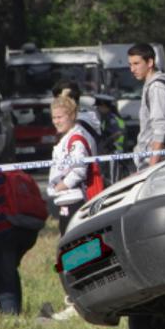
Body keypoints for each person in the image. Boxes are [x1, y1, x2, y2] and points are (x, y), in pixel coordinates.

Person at [0, 167, 48, 315]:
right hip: (29, 228)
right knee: (9, 271)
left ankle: (11, 317)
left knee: (4, 277)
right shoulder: (2, 171)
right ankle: (16, 311)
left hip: (5, 228)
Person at [48, 93, 98, 235]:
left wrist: (60, 187)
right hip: (66, 199)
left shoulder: (76, 139)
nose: (56, 121)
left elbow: (79, 171)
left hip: (75, 199)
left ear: (72, 116)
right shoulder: (66, 137)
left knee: (74, 241)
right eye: (54, 117)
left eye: (60, 117)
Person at [128, 42, 165, 169]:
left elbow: (160, 129)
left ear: (150, 62)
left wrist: (152, 166)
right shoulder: (150, 85)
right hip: (149, 160)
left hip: (155, 163)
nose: (132, 69)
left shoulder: (157, 88)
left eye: (136, 63)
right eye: (130, 64)